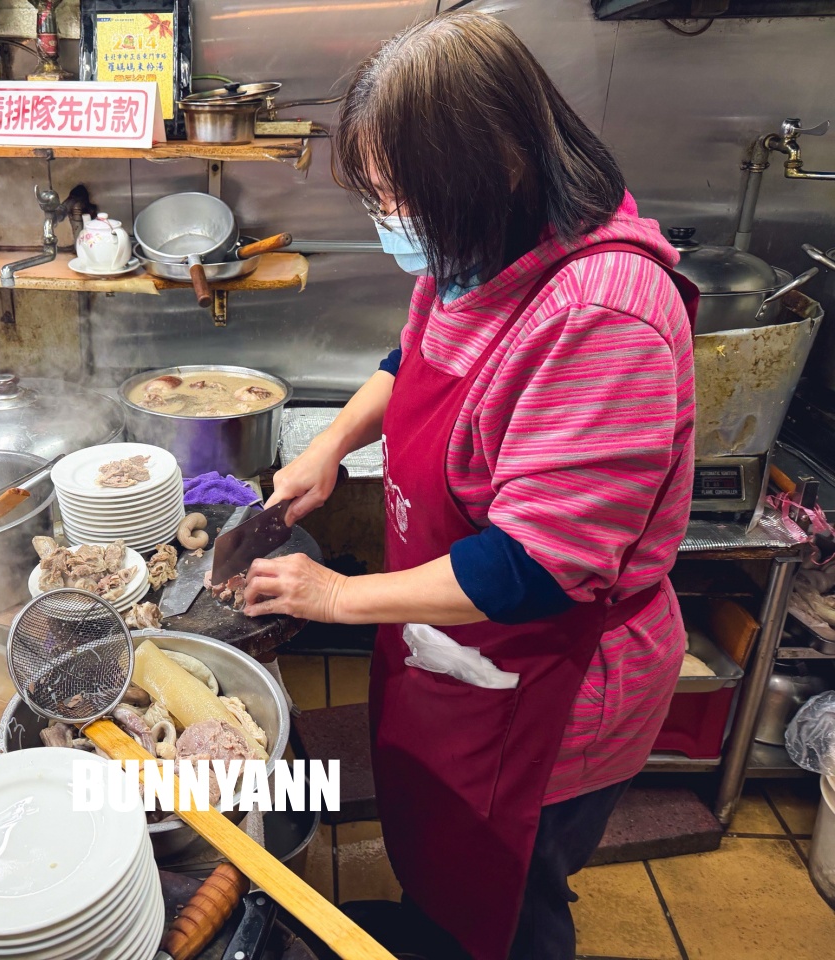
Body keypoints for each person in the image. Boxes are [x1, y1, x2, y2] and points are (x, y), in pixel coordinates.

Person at [242, 13, 696, 960]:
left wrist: (335, 596)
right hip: (454, 648)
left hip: (550, 684)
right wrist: (328, 446)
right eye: (376, 195)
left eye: (400, 197)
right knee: (445, 866)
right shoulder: (478, 248)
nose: (390, 220)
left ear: (492, 170)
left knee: (513, 901)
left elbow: (540, 566)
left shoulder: (602, 314)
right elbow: (415, 354)